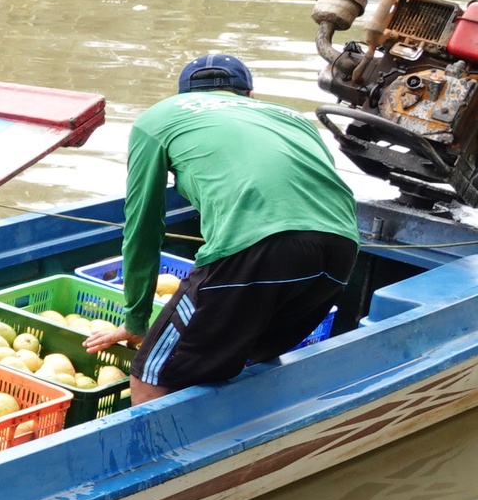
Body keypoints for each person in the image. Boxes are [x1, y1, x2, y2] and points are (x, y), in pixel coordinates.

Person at [81, 54, 360, 403]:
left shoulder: (159, 118)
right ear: (250, 95)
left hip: (257, 248)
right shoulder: (292, 119)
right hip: (341, 249)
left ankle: (159, 458)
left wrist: (136, 320)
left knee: (150, 376)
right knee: (249, 358)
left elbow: (143, 225)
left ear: (182, 95)